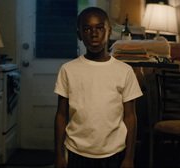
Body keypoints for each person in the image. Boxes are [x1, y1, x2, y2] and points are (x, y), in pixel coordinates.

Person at [54, 7, 143, 168]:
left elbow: (130, 117)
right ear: (79, 35)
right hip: (76, 152)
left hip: (114, 153)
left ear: (109, 32)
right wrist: (59, 155)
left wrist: (129, 158)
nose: (94, 34)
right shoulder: (68, 70)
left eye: (100, 28)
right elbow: (61, 115)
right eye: (87, 29)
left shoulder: (124, 71)